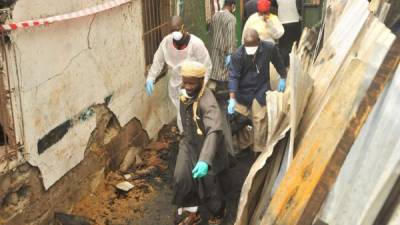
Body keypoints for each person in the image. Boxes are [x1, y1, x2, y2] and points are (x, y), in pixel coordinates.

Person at [172, 61, 232, 225]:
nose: (188, 86)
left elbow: (213, 130)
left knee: (209, 184)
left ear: (201, 81)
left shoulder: (207, 101)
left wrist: (205, 159)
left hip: (207, 146)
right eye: (185, 81)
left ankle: (219, 213)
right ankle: (194, 213)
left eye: (192, 83)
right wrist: (185, 142)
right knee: (182, 177)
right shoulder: (184, 94)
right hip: (189, 143)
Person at [145, 16, 212, 132]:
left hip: (194, 86)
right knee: (182, 115)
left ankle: (201, 138)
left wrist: (201, 88)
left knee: (196, 114)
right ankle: (185, 136)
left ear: (183, 28)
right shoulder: (166, 42)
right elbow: (158, 60)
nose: (175, 34)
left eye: (177, 29)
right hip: (176, 85)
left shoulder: (196, 44)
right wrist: (151, 77)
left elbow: (206, 66)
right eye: (172, 31)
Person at [228, 29, 286, 153]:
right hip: (242, 91)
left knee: (260, 119)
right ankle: (243, 145)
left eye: (253, 46)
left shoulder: (269, 48)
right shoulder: (237, 55)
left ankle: (259, 149)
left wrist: (283, 77)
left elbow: (278, 62)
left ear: (259, 41)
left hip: (260, 88)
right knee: (239, 119)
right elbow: (233, 77)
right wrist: (232, 98)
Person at [208, 0, 237, 95]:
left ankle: (212, 89)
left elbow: (211, 32)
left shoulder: (215, 16)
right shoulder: (231, 18)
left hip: (214, 47)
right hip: (225, 49)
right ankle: (229, 95)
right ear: (232, 6)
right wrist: (230, 53)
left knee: (215, 71)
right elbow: (230, 37)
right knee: (227, 74)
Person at [272, 0, 302, 67]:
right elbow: (300, 6)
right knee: (295, 45)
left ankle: (285, 66)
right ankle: (295, 65)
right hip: (295, 21)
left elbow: (273, 4)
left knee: (284, 47)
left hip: (282, 22)